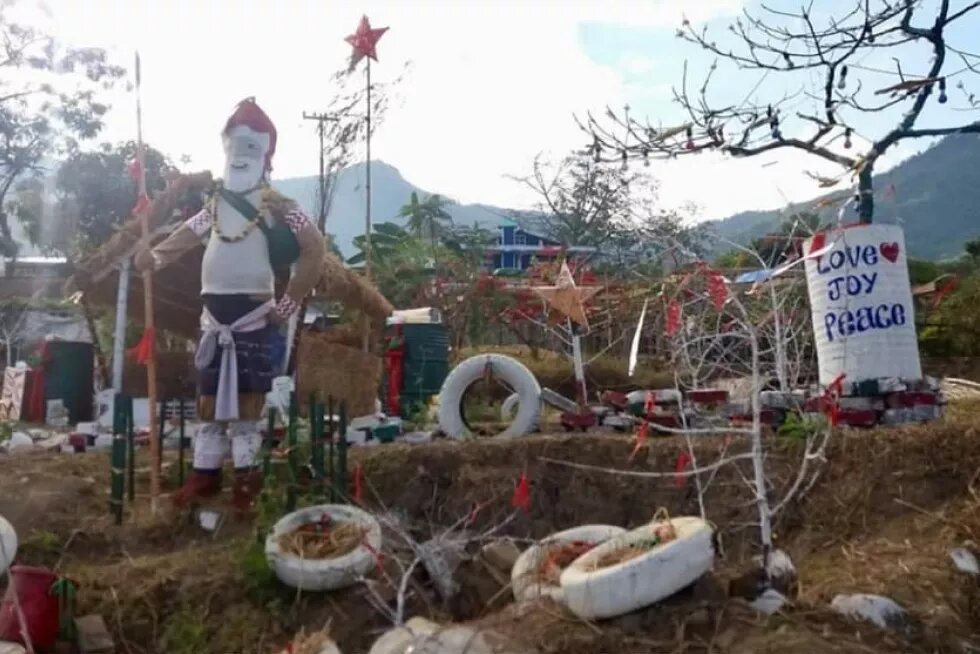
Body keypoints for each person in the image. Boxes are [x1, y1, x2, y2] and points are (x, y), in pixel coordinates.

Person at [135, 98, 326, 511]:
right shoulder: (216, 206)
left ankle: (246, 483)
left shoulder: (280, 208)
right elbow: (189, 233)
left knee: (245, 407)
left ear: (265, 155)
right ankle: (204, 477)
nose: (241, 158)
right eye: (235, 150)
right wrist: (157, 255)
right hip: (213, 316)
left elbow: (314, 250)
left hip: (254, 315)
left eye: (250, 150)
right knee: (208, 404)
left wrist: (289, 303)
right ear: (226, 152)